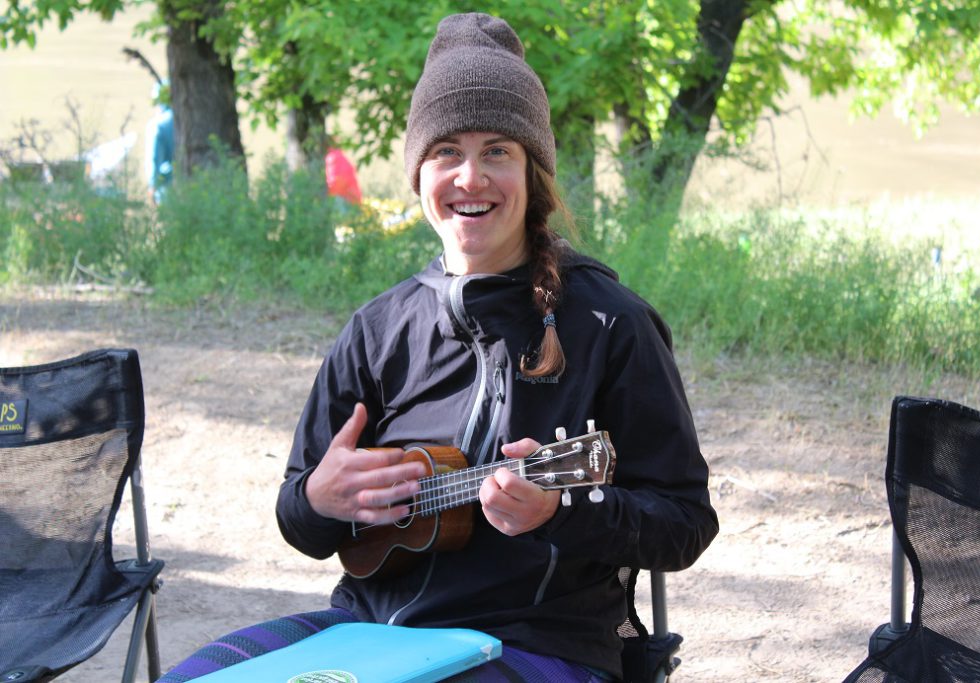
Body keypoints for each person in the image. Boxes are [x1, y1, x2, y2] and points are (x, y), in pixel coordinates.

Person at [158, 12, 718, 682]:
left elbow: (684, 521)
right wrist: (318, 498)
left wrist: (562, 509)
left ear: (533, 170)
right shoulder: (377, 327)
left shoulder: (609, 323)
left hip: (536, 643)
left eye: (498, 152)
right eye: (447, 150)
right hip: (366, 629)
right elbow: (301, 522)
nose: (471, 177)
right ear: (420, 171)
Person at [144, 80, 174, 204]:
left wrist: (152, 186)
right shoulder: (191, 120)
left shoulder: (157, 125)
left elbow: (154, 159)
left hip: (167, 189)